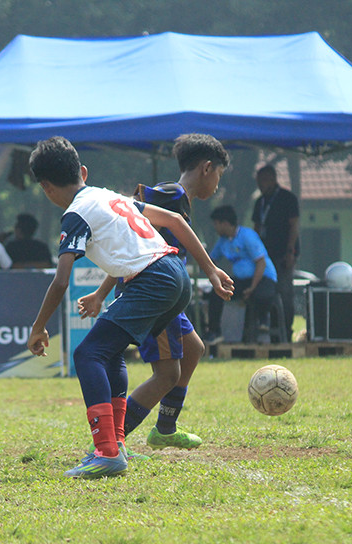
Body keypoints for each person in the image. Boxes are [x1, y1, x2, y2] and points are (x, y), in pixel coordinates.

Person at [25, 136, 233, 479]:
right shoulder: (108, 196)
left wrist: (38, 327)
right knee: (110, 354)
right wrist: (210, 270)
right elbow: (175, 222)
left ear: (46, 187)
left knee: (87, 354)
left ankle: (107, 452)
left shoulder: (75, 214)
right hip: (175, 275)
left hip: (151, 280)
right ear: (83, 172)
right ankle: (117, 443)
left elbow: (61, 281)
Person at [77, 133, 230, 452]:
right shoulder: (170, 194)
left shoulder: (177, 198)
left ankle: (165, 428)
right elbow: (133, 243)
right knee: (167, 374)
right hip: (153, 293)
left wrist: (101, 294)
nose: (217, 184)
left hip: (164, 293)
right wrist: (211, 270)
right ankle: (114, 441)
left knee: (193, 349)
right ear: (206, 168)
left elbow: (136, 248)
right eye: (219, 174)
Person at [204, 205, 278, 343]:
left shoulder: (247, 236)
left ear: (225, 223)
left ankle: (263, 321)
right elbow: (211, 259)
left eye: (216, 224)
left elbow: (261, 263)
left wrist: (252, 287)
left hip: (262, 278)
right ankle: (214, 331)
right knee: (218, 292)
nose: (215, 228)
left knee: (261, 294)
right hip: (242, 280)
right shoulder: (223, 241)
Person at [251, 165, 299, 343]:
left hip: (283, 255)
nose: (261, 185)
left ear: (272, 179)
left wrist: (290, 251)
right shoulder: (260, 202)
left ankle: (287, 332)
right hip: (265, 257)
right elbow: (257, 227)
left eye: (263, 181)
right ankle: (270, 334)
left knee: (284, 293)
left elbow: (294, 225)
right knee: (266, 293)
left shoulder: (287, 198)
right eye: (258, 182)